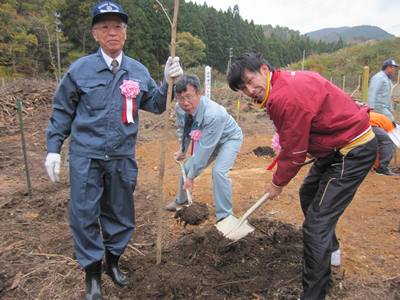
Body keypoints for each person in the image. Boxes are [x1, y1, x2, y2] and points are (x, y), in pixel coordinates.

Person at [44, 1, 183, 299]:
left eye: (118, 26)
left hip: (121, 156)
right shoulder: (80, 71)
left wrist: (168, 81)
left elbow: (157, 105)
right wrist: (54, 148)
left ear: (125, 33)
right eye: (105, 27)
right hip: (86, 156)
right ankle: (92, 273)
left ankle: (113, 263)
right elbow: (62, 111)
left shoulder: (136, 70)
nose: (112, 32)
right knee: (83, 214)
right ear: (95, 34)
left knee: (120, 214)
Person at [227, 52, 377, 300]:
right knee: (308, 193)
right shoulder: (282, 83)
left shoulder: (285, 96)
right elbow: (298, 138)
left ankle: (313, 295)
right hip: (333, 146)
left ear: (264, 69)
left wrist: (277, 183)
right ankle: (332, 251)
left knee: (315, 225)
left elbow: (295, 152)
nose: (249, 90)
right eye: (243, 88)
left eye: (250, 80)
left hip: (352, 149)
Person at [165, 75, 243, 222]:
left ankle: (225, 215)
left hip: (228, 139)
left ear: (199, 93)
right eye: (181, 98)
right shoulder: (179, 108)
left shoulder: (214, 114)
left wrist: (191, 177)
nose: (185, 103)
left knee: (219, 172)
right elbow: (184, 129)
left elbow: (205, 149)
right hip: (208, 138)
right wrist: (183, 149)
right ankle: (181, 201)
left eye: (189, 97)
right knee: (187, 167)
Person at [369, 111, 398, 176]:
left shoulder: (387, 122)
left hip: (362, 120)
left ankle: (374, 165)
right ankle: (382, 168)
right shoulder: (393, 129)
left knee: (378, 143)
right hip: (369, 123)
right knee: (388, 141)